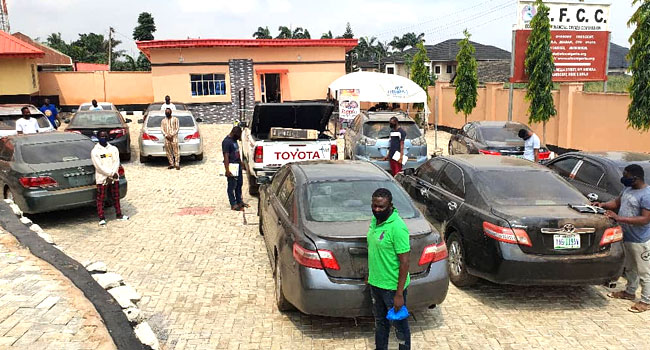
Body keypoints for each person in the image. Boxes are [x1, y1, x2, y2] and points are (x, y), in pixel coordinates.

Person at [595, 164, 650, 313]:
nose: (623, 178)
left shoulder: (647, 195)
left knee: (644, 272)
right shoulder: (628, 189)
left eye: (626, 176)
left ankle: (646, 300)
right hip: (625, 236)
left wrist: (619, 218)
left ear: (635, 178)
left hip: (640, 240)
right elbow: (617, 202)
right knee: (630, 268)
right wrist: (602, 205)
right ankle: (630, 292)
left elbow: (645, 219)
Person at [367, 188, 411, 350]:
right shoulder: (375, 220)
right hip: (376, 284)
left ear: (390, 206)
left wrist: (399, 294)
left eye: (381, 207)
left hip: (392, 288)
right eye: (374, 206)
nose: (377, 210)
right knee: (380, 323)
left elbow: (405, 263)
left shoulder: (398, 227)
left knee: (400, 327)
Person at [91, 131, 129, 226]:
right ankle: (101, 217)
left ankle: (119, 214)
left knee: (116, 197)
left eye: (105, 136)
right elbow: (98, 166)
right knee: (101, 198)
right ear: (98, 137)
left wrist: (113, 173)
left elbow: (116, 162)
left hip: (114, 177)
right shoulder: (95, 151)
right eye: (101, 136)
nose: (103, 138)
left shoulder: (113, 149)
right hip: (102, 178)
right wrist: (109, 174)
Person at [222, 126, 248, 211]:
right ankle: (233, 204)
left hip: (238, 165)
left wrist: (241, 163)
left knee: (239, 184)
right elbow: (226, 156)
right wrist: (227, 169)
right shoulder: (226, 142)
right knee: (232, 186)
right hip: (232, 166)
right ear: (235, 133)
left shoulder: (234, 141)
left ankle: (239, 201)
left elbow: (237, 153)